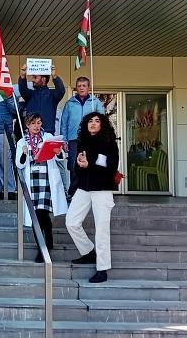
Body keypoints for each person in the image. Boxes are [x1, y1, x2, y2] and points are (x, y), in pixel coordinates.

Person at [66, 112, 119, 284]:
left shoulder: (109, 143)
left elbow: (110, 168)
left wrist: (91, 163)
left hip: (102, 190)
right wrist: (81, 165)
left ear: (102, 124)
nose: (93, 123)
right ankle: (89, 252)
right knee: (71, 222)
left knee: (102, 230)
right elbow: (77, 167)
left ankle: (102, 269)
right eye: (90, 121)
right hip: (84, 188)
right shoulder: (83, 141)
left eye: (97, 121)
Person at [15, 113, 68, 262]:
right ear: (27, 125)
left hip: (47, 180)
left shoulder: (48, 137)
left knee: (43, 213)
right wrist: (24, 154)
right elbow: (19, 164)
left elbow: (61, 157)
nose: (37, 126)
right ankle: (42, 248)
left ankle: (47, 239)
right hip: (32, 182)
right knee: (36, 216)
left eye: (39, 123)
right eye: (33, 123)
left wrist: (59, 152)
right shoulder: (22, 142)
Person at [60, 77, 105, 197]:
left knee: (90, 163)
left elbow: (102, 121)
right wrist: (64, 140)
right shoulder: (70, 103)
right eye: (79, 86)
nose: (81, 88)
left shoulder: (95, 102)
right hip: (74, 139)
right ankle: (73, 192)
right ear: (76, 88)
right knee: (74, 165)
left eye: (84, 85)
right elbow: (64, 123)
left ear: (88, 87)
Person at [18, 65, 65, 133]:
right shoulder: (30, 94)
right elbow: (22, 89)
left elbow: (61, 91)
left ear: (43, 79)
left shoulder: (53, 95)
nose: (32, 80)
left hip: (48, 132)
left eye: (35, 77)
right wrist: (22, 76)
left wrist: (55, 76)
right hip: (31, 134)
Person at [0, 98, 17, 200]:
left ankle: (9, 189)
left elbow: (15, 110)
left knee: (5, 162)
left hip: (3, 132)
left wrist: (9, 97)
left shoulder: (5, 92)